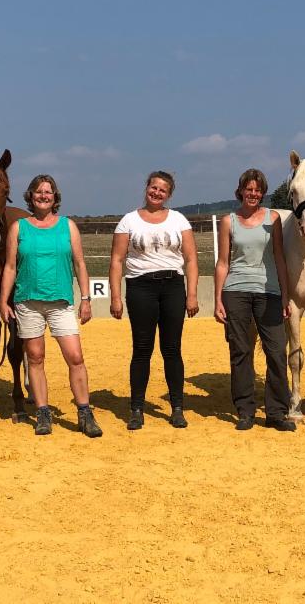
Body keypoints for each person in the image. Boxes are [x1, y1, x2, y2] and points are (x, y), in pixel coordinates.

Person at [0, 174, 103, 438]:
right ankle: (43, 412)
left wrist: (86, 299)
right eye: (38, 191)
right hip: (27, 302)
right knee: (35, 358)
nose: (43, 196)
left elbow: (80, 263)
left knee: (75, 357)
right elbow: (10, 267)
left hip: (61, 302)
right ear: (31, 196)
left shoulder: (68, 226)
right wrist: (3, 300)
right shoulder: (19, 228)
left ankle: (84, 411)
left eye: (48, 192)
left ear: (55, 197)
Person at [109, 171, 199, 430]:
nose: (157, 193)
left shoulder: (179, 219)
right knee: (141, 349)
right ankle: (136, 408)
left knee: (172, 349)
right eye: (154, 187)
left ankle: (177, 408)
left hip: (172, 287)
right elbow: (117, 260)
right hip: (140, 287)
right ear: (146, 188)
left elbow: (191, 259)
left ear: (168, 194)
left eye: (163, 190)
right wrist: (116, 297)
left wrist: (192, 294)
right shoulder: (128, 221)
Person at [212, 169, 296, 432]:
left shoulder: (273, 219)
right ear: (241, 191)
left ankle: (276, 412)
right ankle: (245, 411)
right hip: (236, 290)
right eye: (249, 189)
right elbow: (223, 262)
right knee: (241, 351)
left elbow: (280, 257)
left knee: (276, 351)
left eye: (258, 190)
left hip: (269, 292)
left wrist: (285, 294)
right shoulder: (228, 221)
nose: (253, 194)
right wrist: (218, 299)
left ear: (262, 193)